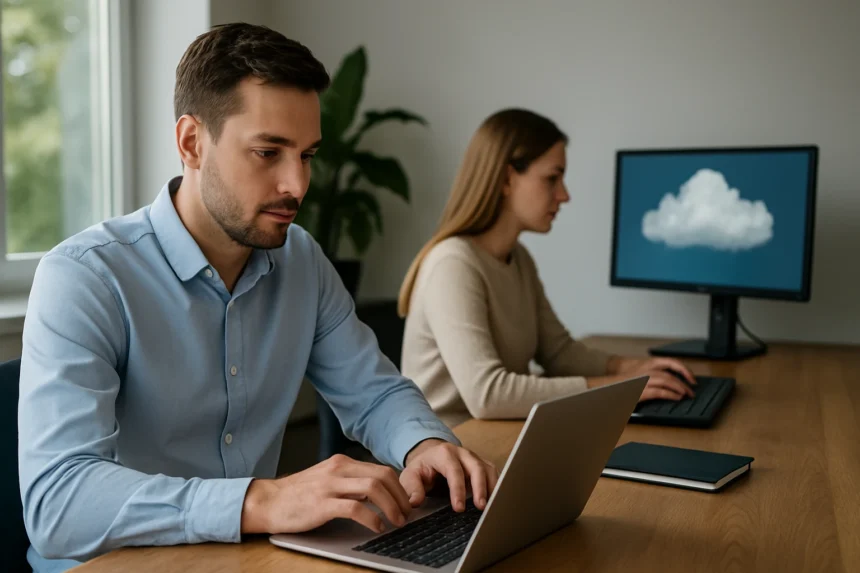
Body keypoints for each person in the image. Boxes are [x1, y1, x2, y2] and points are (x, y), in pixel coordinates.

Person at [18, 24, 497, 573]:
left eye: (307, 155)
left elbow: (373, 392)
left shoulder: (302, 260)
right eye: (268, 152)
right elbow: (58, 503)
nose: (298, 184)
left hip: (248, 558)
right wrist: (260, 500)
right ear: (192, 143)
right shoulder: (85, 277)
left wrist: (424, 446)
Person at [397, 108, 697, 428]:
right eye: (552, 178)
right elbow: (488, 394)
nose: (564, 195)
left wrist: (629, 367)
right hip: (449, 448)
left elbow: (558, 353)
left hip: (497, 435)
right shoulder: (452, 264)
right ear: (507, 179)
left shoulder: (518, 259)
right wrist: (619, 388)